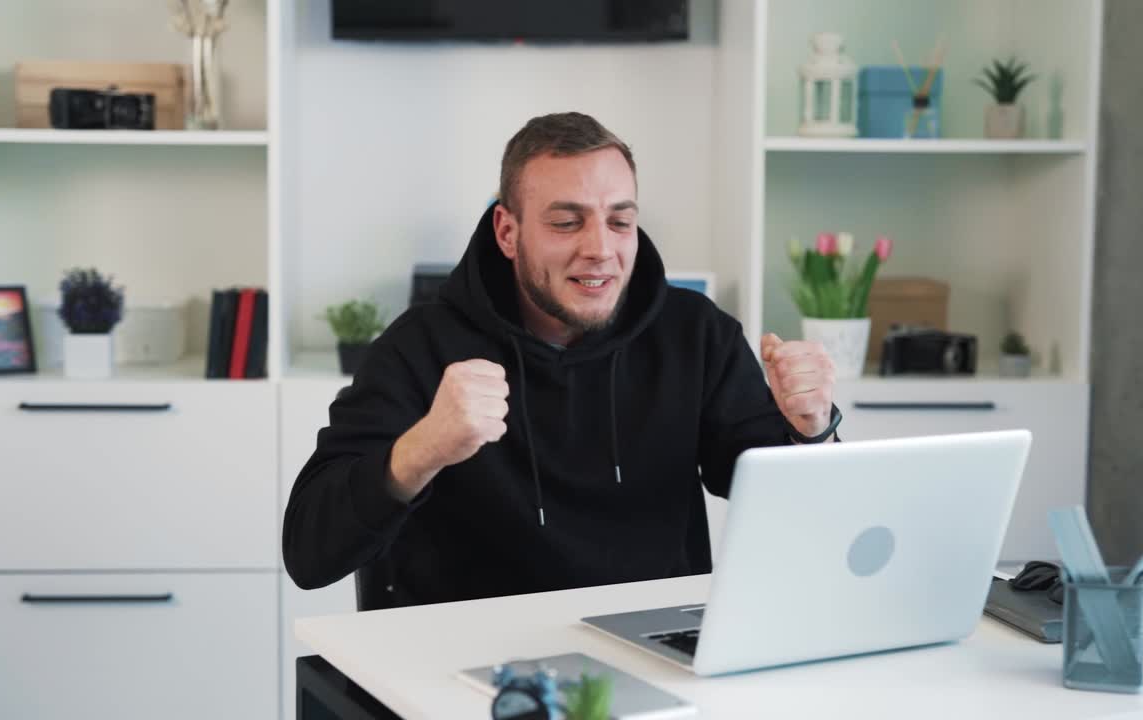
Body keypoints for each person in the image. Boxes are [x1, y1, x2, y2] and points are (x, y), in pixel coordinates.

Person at [282, 112, 840, 610]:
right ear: (508, 231)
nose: (600, 248)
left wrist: (810, 432)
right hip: (469, 661)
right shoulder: (420, 347)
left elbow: (801, 520)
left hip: (651, 644)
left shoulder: (695, 334)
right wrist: (422, 450)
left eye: (620, 221)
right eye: (566, 222)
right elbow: (310, 555)